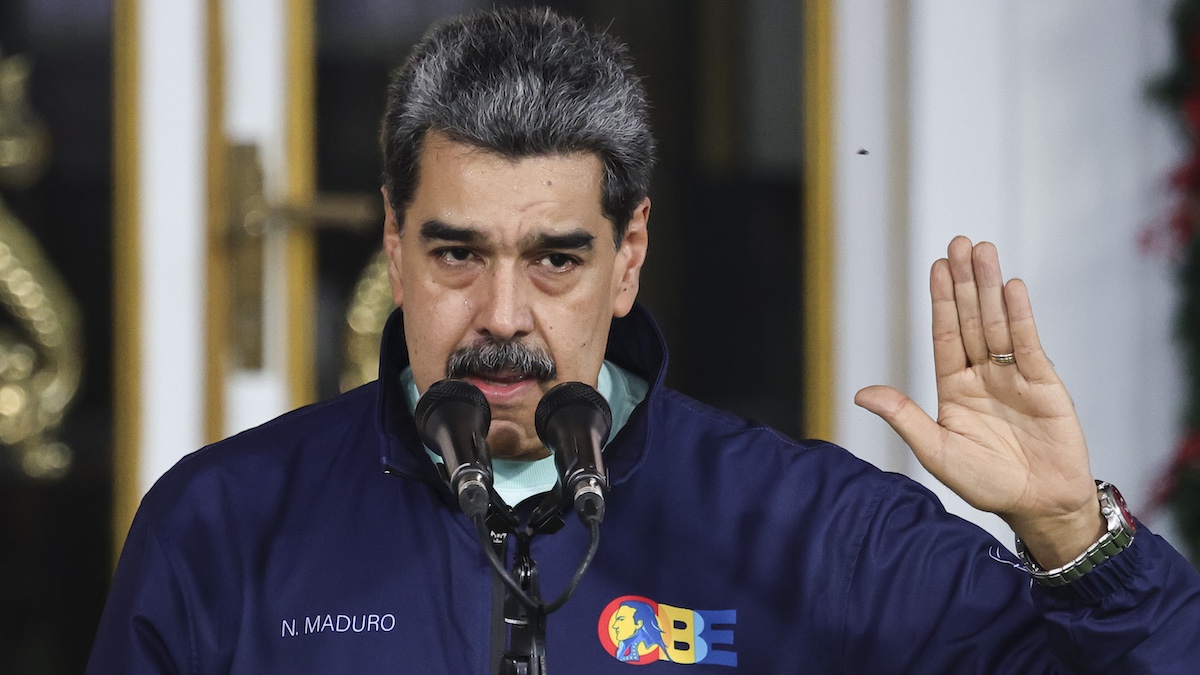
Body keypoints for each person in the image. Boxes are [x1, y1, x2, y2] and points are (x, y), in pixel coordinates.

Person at [87, 7, 1200, 673]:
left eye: (557, 259)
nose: (504, 316)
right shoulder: (226, 522)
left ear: (630, 257)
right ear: (393, 236)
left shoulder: (809, 529)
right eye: (457, 254)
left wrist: (1075, 545)